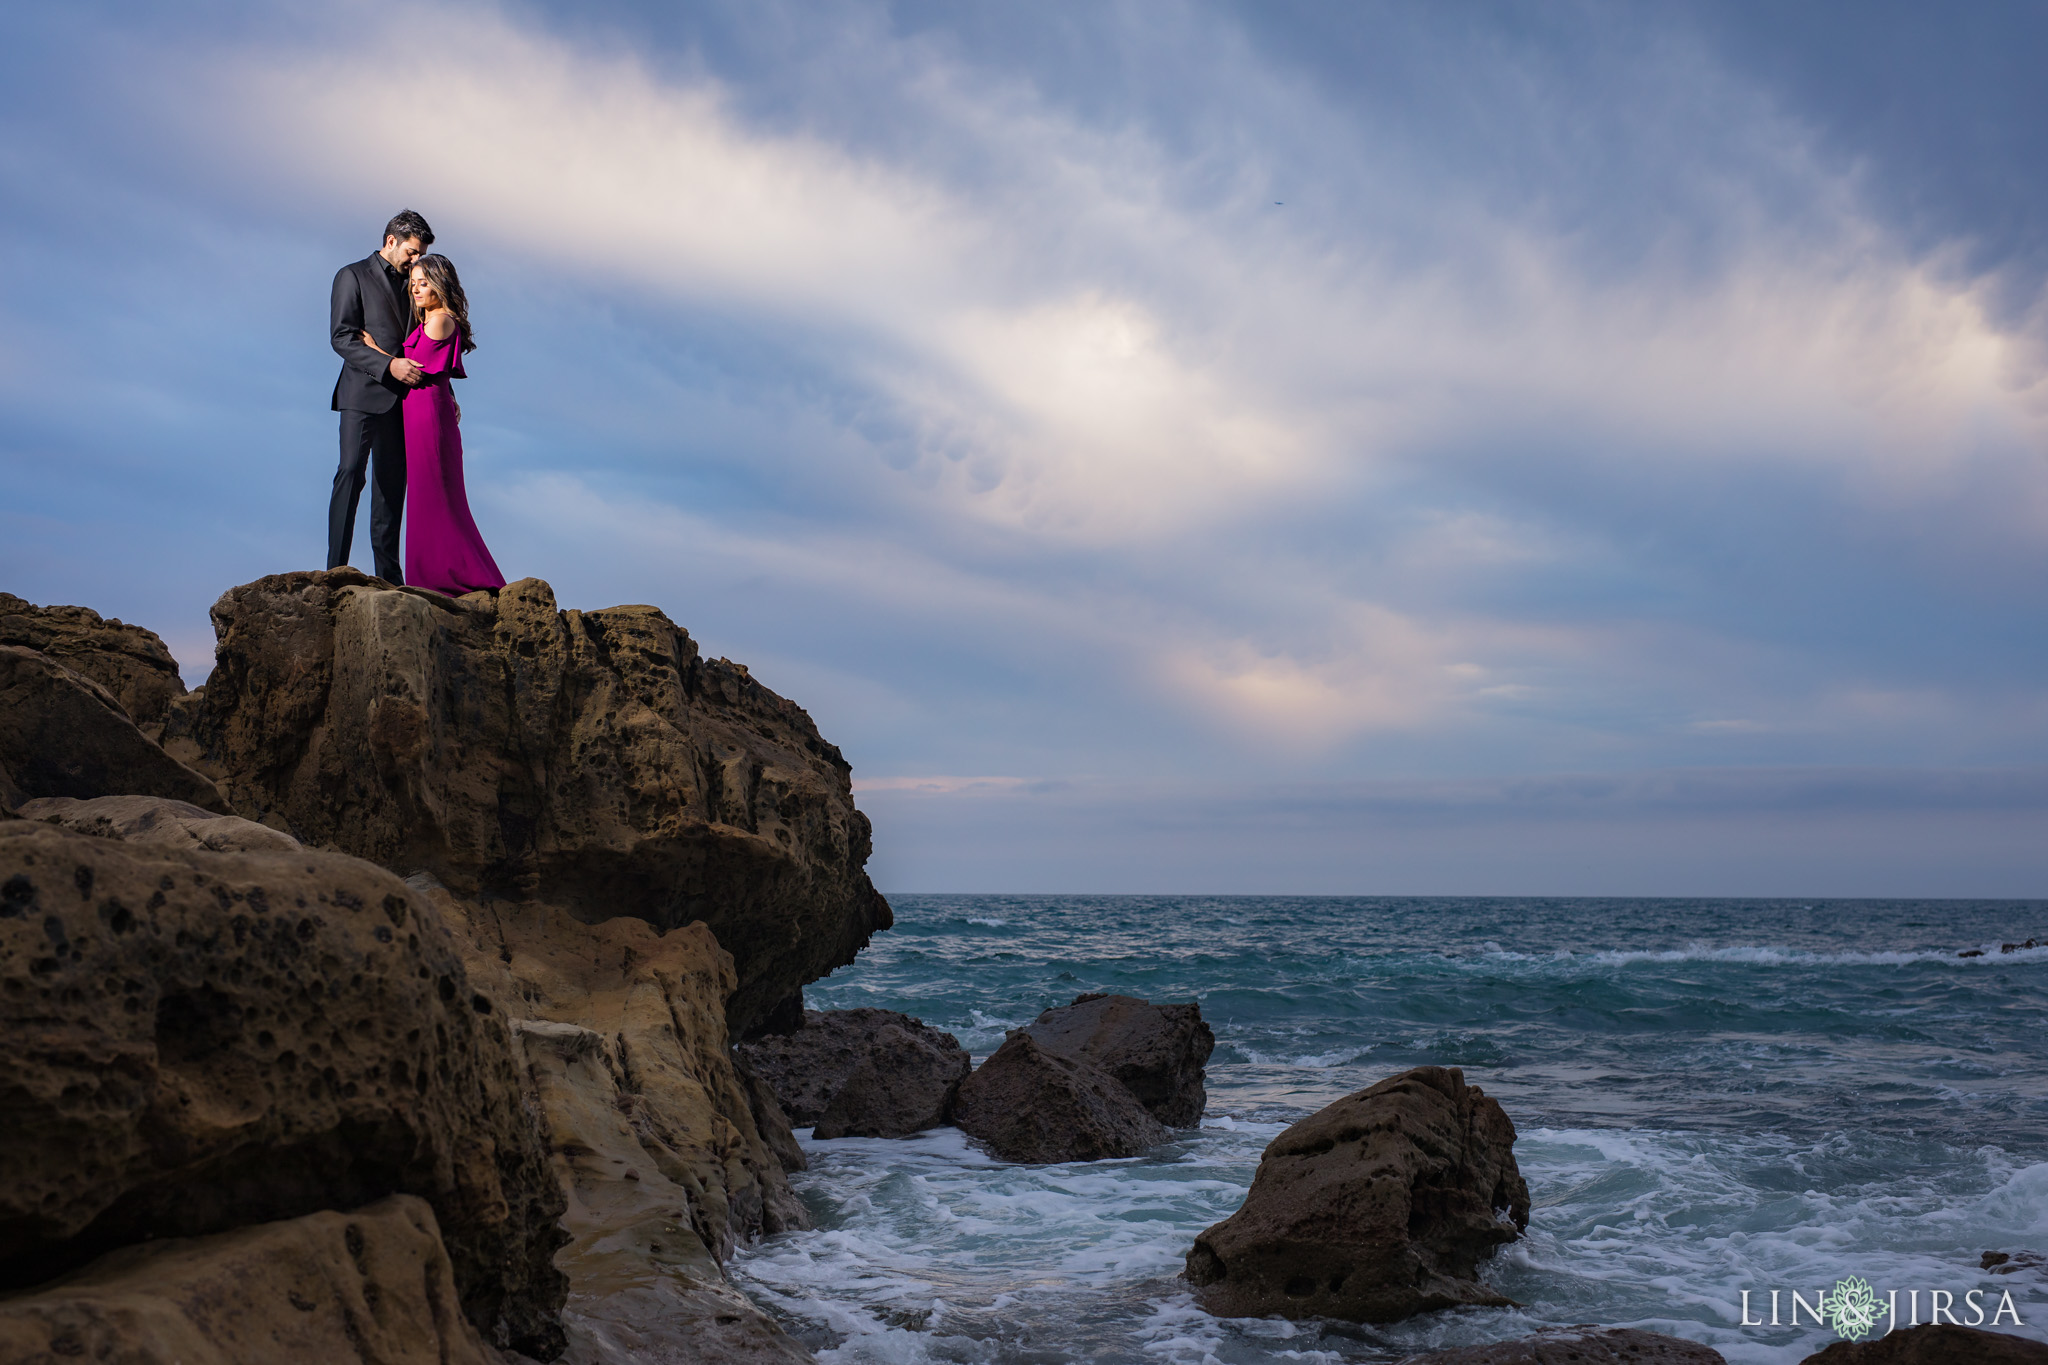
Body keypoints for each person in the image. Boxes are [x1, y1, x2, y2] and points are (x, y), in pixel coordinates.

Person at [368, 254, 506, 596]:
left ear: (439, 284)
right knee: (425, 496)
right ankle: (430, 573)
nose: (415, 289)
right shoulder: (428, 319)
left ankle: (452, 574)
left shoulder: (441, 320)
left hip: (429, 416)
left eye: (423, 282)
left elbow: (414, 370)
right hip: (418, 412)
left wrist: (372, 349)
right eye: (412, 283)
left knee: (436, 496)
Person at [328, 209, 434, 583]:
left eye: (420, 253)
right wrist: (387, 365)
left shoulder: (414, 284)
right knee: (350, 474)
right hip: (360, 394)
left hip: (404, 401)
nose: (416, 260)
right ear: (391, 241)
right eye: (412, 251)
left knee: (391, 490)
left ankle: (390, 580)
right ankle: (334, 571)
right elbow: (342, 337)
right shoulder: (351, 276)